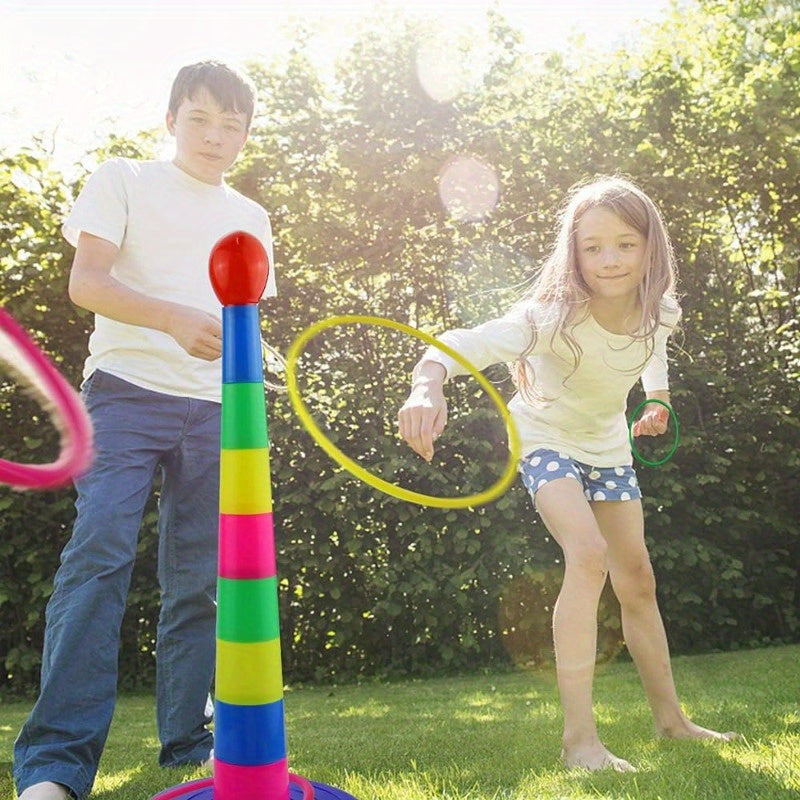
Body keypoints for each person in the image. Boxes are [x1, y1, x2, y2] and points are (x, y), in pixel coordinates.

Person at [398, 176, 735, 772]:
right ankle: (580, 741)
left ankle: (672, 722)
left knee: (638, 579)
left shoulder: (661, 310)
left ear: (650, 248)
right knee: (587, 554)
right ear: (573, 254)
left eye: (626, 244)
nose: (610, 259)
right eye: (593, 246)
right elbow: (463, 342)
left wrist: (656, 399)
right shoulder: (549, 317)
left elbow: (651, 349)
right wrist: (427, 385)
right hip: (545, 438)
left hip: (609, 446)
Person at [14, 61, 276, 800]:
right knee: (98, 554)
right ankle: (55, 768)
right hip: (125, 396)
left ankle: (188, 746)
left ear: (247, 136)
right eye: (200, 119)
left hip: (219, 413)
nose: (216, 137)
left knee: (199, 581)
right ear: (170, 120)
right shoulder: (123, 179)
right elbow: (86, 283)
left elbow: (243, 323)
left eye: (233, 126)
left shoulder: (252, 219)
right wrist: (170, 318)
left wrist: (260, 363)